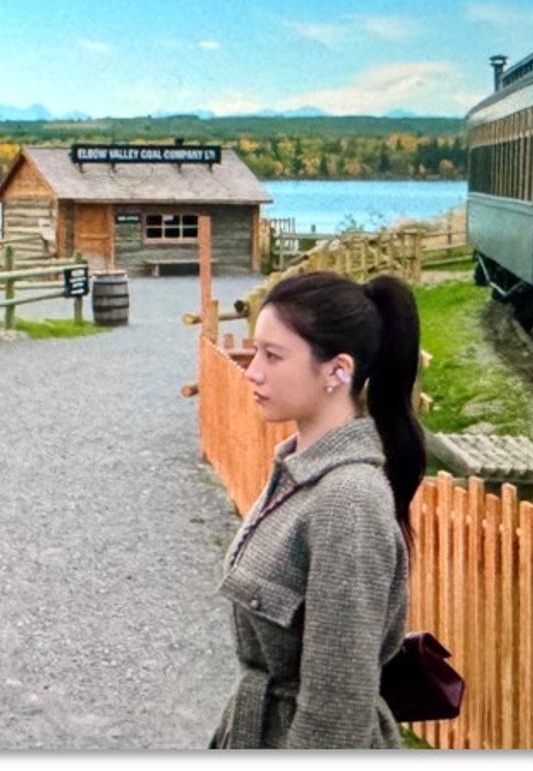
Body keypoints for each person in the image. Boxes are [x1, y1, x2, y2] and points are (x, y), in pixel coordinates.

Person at [210, 271, 426, 749]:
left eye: (273, 355)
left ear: (337, 370)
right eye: (255, 351)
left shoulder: (348, 499)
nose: (252, 372)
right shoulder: (297, 470)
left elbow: (337, 710)